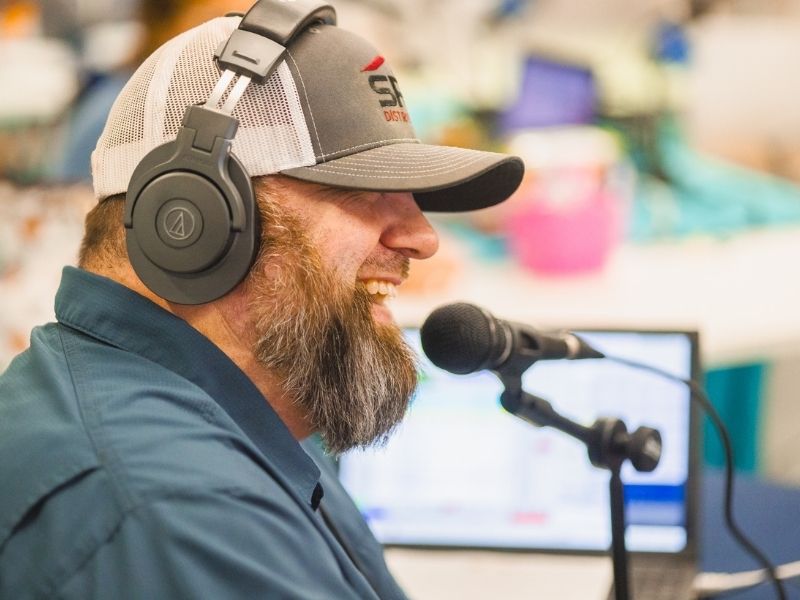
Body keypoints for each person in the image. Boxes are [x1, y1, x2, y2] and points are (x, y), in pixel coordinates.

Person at [0, 2, 523, 598]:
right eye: (365, 190)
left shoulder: (249, 414)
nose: (422, 237)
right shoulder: (176, 515)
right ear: (195, 221)